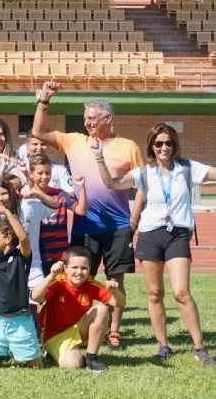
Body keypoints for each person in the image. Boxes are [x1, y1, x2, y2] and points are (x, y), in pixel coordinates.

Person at [92, 123, 215, 365]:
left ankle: (199, 347)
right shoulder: (144, 172)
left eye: (168, 143)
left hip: (177, 234)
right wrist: (99, 159)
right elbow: (113, 184)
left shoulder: (188, 168)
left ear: (175, 145)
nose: (164, 147)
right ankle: (163, 345)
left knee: (181, 292)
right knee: (154, 293)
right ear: (151, 146)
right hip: (150, 234)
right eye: (158, 143)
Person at [33, 82, 143, 351]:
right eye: (85, 119)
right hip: (85, 225)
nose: (87, 123)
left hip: (118, 226)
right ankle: (80, 328)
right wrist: (44, 102)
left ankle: (114, 333)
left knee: (116, 280)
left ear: (108, 118)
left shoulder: (128, 146)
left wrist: (134, 220)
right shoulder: (74, 140)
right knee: (81, 278)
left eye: (92, 118)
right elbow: (38, 132)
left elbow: (143, 184)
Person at [0, 199, 42, 369]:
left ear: (9, 237)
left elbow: (24, 238)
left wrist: (6, 211)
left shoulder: (22, 257)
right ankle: (4, 351)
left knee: (37, 367)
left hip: (20, 322)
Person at [33, 248, 125, 372]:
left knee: (101, 309)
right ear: (65, 268)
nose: (79, 272)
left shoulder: (90, 283)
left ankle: (91, 358)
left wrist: (115, 292)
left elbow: (119, 303)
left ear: (89, 269)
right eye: (74, 267)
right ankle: (53, 352)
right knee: (73, 365)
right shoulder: (58, 281)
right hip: (55, 334)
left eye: (84, 268)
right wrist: (51, 275)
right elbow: (36, 297)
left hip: (78, 329)